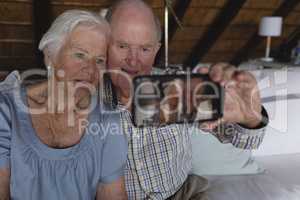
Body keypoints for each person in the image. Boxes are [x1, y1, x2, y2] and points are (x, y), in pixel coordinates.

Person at [102, 0, 268, 199]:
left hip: (183, 193)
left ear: (156, 50)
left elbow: (247, 140)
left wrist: (249, 118)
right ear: (103, 44)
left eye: (145, 49)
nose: (133, 60)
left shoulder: (180, 86)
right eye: (122, 46)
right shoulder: (85, 98)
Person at [0, 10, 128, 200]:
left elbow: (112, 193)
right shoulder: (6, 111)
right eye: (80, 55)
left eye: (99, 60)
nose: (91, 69)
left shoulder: (107, 118)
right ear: (50, 57)